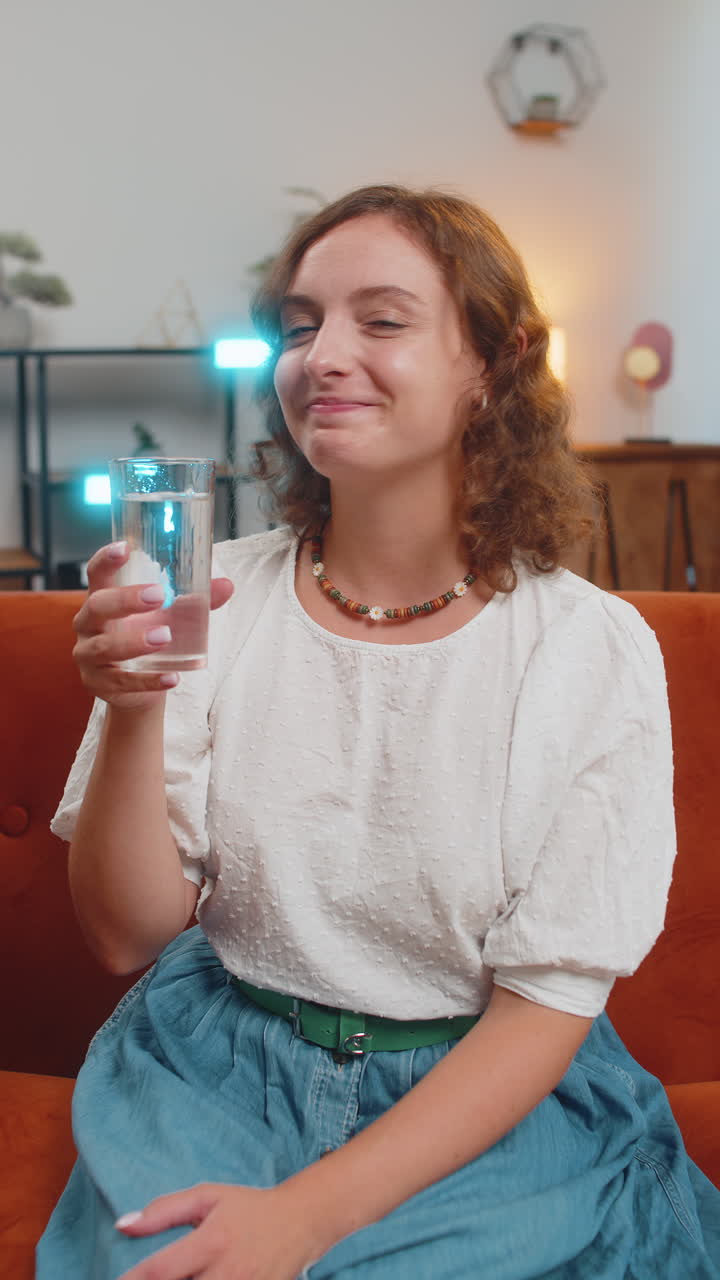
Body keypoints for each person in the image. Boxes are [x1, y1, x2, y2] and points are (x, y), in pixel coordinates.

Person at [37, 184, 720, 1280]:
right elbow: (127, 935)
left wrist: (304, 1217)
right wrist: (131, 707)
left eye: (383, 320)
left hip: (480, 1091)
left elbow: (545, 1007)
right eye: (299, 325)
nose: (320, 355)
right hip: (214, 1072)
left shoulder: (590, 648)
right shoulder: (211, 595)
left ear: (491, 366)